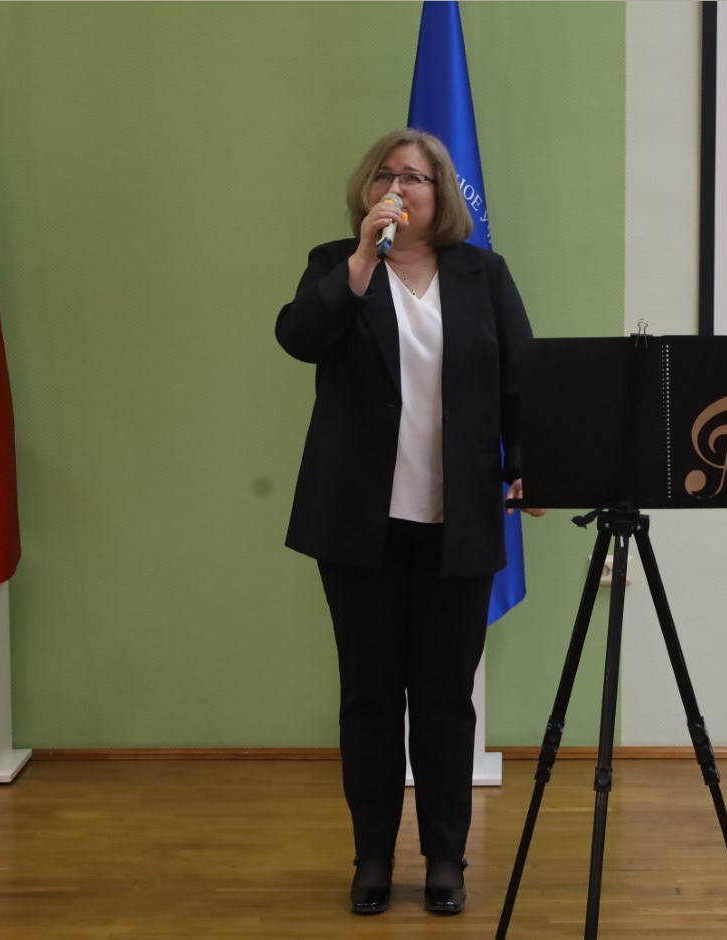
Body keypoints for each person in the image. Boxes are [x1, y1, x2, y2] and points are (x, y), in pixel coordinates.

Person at [275, 128, 543, 916]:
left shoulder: (483, 274)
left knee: (444, 698)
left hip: (456, 522)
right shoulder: (337, 265)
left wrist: (530, 461)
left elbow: (520, 380)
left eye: (414, 177)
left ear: (441, 193)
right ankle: (371, 858)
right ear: (367, 192)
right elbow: (298, 338)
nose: (397, 187)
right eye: (384, 175)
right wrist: (364, 259)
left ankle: (445, 859)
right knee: (368, 696)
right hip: (359, 525)